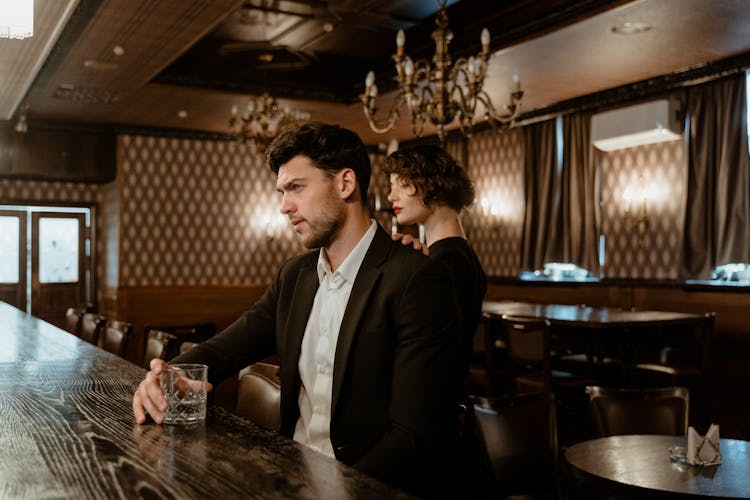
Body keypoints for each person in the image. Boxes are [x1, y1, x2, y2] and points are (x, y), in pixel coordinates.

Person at [132, 122, 462, 496]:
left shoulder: (415, 277)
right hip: (289, 475)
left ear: (345, 183)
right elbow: (226, 348)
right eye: (282, 191)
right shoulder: (296, 275)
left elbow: (412, 439)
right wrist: (166, 375)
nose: (284, 206)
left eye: (297, 188)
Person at [384, 144, 487, 382]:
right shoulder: (455, 254)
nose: (391, 196)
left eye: (403, 184)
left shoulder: (449, 261)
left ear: (434, 185)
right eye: (392, 187)